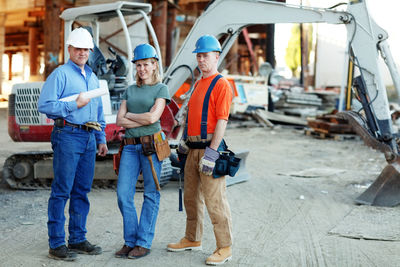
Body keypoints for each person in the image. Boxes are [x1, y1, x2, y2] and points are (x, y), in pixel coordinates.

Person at [38, 27, 108, 261]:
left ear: (90, 50)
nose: (82, 52)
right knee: (62, 190)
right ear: (69, 49)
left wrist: (101, 138)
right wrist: (72, 106)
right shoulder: (60, 74)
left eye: (85, 49)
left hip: (89, 137)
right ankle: (56, 244)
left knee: (82, 191)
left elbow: (97, 109)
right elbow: (45, 105)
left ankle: (77, 239)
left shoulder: (93, 76)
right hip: (67, 134)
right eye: (77, 48)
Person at [167, 35, 234, 265]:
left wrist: (212, 153)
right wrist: (184, 140)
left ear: (216, 56)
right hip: (193, 149)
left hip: (208, 150)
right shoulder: (197, 84)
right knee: (192, 198)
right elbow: (190, 115)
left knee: (215, 201)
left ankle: (224, 246)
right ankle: (192, 238)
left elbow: (222, 122)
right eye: (199, 55)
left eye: (205, 55)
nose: (201, 59)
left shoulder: (221, 84)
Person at [114, 43, 170, 259]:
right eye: (138, 65)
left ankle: (143, 242)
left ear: (154, 65)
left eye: (146, 64)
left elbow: (153, 118)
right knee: (123, 195)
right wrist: (141, 117)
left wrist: (131, 118)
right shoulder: (130, 90)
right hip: (129, 148)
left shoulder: (161, 89)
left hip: (151, 146)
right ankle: (130, 241)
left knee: (151, 194)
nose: (142, 69)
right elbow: (119, 120)